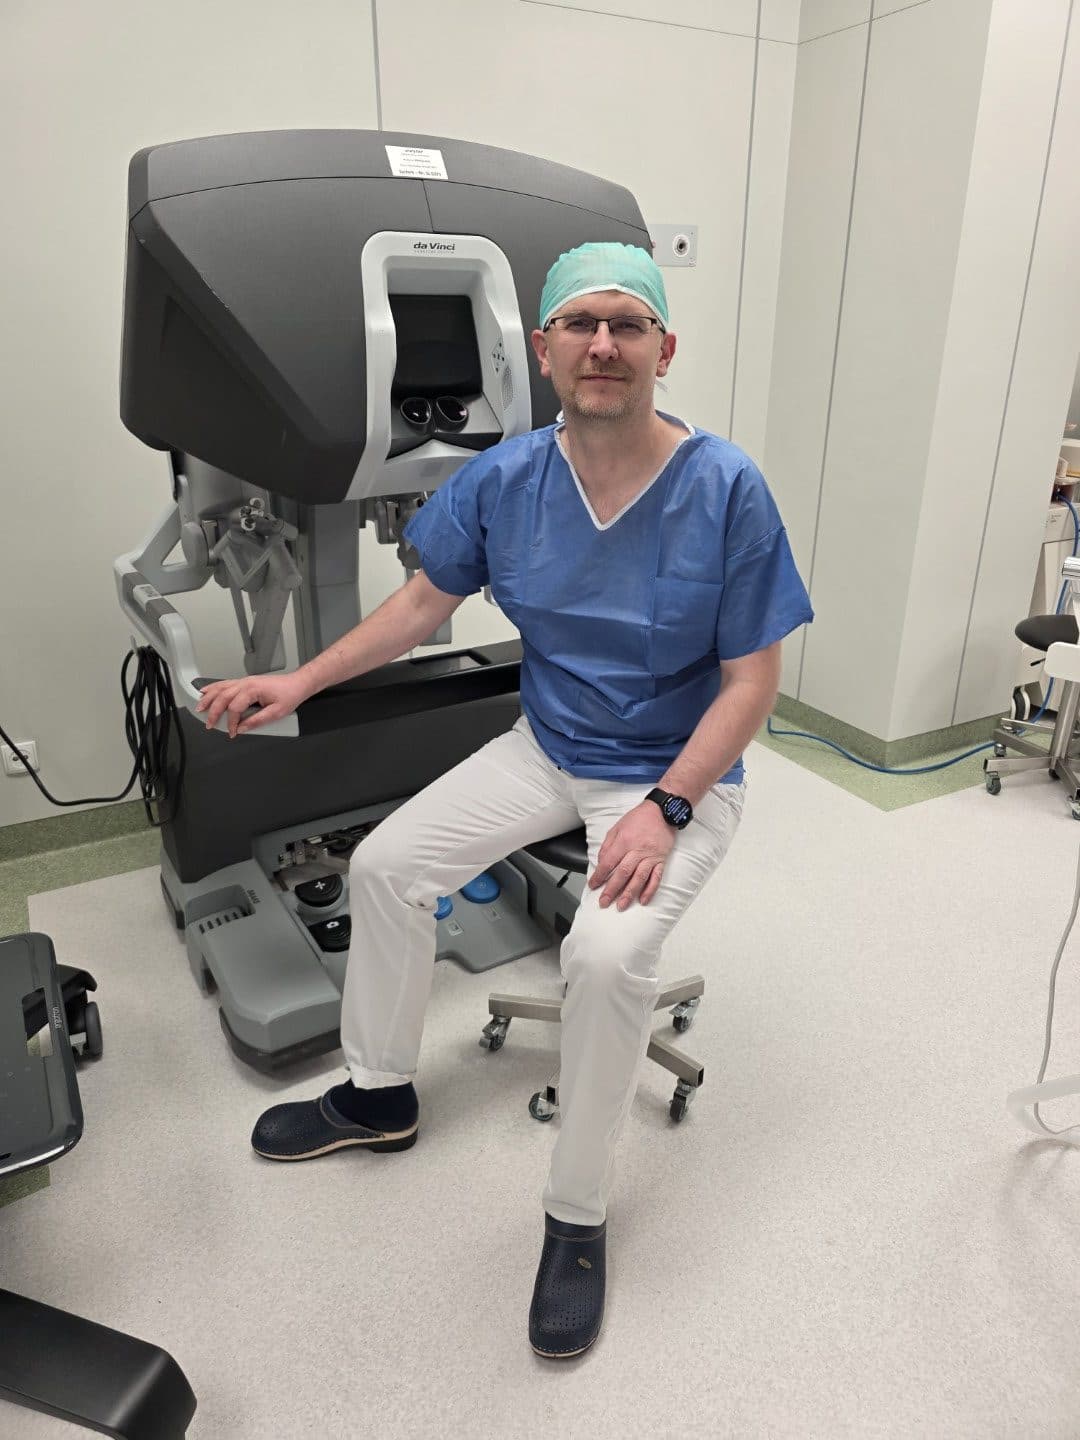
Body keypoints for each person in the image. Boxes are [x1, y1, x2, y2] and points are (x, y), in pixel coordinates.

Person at [195, 242, 814, 1360]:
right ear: (541, 350)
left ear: (665, 348)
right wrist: (299, 680)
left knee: (605, 958)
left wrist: (666, 807)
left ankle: (576, 1216)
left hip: (674, 776)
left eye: (628, 325)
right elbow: (419, 606)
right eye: (580, 324)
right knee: (386, 867)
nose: (603, 345)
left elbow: (751, 684)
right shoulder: (509, 479)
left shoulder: (725, 488)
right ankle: (378, 1095)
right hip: (549, 746)